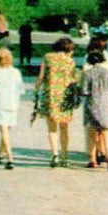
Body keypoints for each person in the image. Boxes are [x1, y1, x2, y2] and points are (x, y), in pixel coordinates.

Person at [35, 37, 79, 167]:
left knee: (52, 127)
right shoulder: (70, 61)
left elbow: (41, 76)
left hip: (51, 96)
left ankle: (55, 154)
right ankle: (65, 155)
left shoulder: (47, 57)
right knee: (64, 127)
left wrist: (36, 89)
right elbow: (73, 80)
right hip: (65, 97)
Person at [81, 50, 108, 170]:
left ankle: (92, 159)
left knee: (92, 133)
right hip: (107, 104)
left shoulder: (87, 73)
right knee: (106, 133)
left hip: (92, 104)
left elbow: (84, 91)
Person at [0, 48, 24, 170]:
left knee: (4, 130)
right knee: (6, 130)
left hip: (0, 103)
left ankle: (10, 158)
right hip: (13, 103)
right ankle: (0, 152)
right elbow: (21, 89)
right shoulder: (16, 72)